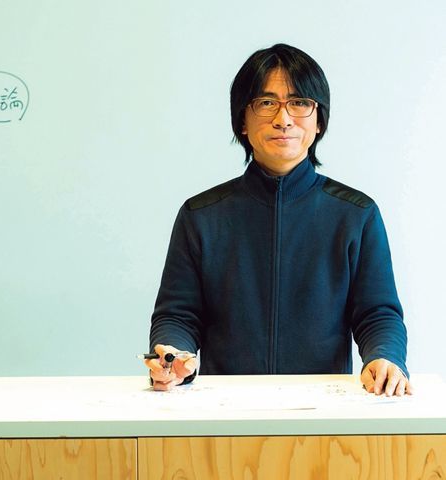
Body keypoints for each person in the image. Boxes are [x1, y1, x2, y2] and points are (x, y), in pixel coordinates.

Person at [145, 43, 412, 397]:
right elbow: (178, 315)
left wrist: (384, 357)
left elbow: (377, 313)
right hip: (223, 407)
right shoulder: (201, 216)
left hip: (324, 409)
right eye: (266, 102)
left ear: (319, 121)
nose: (283, 119)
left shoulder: (356, 215)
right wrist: (172, 356)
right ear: (242, 120)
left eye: (299, 103)